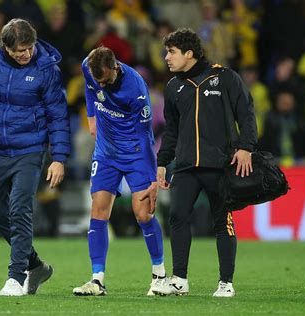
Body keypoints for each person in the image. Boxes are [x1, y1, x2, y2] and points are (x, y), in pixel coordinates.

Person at [0, 18, 70, 296]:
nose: (25, 54)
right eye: (19, 50)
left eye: (29, 48)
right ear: (5, 48)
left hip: (30, 151)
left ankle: (15, 276)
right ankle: (36, 265)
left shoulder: (47, 69)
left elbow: (58, 115)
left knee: (20, 208)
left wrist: (58, 157)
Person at [152, 28, 257, 297]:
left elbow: (246, 113)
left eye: (172, 52)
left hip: (220, 164)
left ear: (189, 53)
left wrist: (246, 147)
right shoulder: (174, 86)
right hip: (186, 166)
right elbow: (171, 131)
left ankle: (226, 283)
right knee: (177, 217)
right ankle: (179, 279)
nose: (167, 57)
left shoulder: (224, 78)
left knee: (223, 221)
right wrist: (163, 161)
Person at [72, 47, 165, 297]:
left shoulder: (136, 89)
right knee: (98, 209)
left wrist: (152, 176)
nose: (102, 85)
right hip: (106, 152)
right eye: (98, 81)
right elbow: (90, 90)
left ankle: (159, 276)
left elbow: (145, 137)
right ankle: (97, 280)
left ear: (116, 67)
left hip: (136, 152)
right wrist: (91, 117)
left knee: (143, 213)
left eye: (106, 80)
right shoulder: (88, 66)